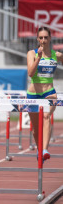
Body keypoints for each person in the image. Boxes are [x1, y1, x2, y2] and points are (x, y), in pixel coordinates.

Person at [27, 26, 63, 162]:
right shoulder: (32, 53)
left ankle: (45, 150)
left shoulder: (56, 55)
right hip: (33, 93)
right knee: (36, 129)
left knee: (46, 116)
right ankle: (40, 150)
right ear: (37, 39)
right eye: (41, 37)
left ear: (50, 38)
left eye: (46, 37)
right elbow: (30, 73)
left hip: (49, 92)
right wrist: (39, 58)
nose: (43, 40)